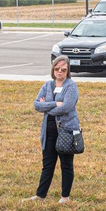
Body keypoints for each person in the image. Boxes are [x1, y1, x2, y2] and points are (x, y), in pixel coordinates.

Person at [32, 56, 80, 202]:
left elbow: (67, 106)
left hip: (66, 131)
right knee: (47, 164)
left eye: (63, 69)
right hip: (49, 131)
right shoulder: (47, 85)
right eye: (57, 68)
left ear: (68, 71)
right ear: (53, 69)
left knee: (66, 165)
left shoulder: (71, 86)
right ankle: (40, 195)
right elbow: (36, 105)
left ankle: (65, 197)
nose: (59, 72)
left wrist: (47, 106)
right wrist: (55, 104)